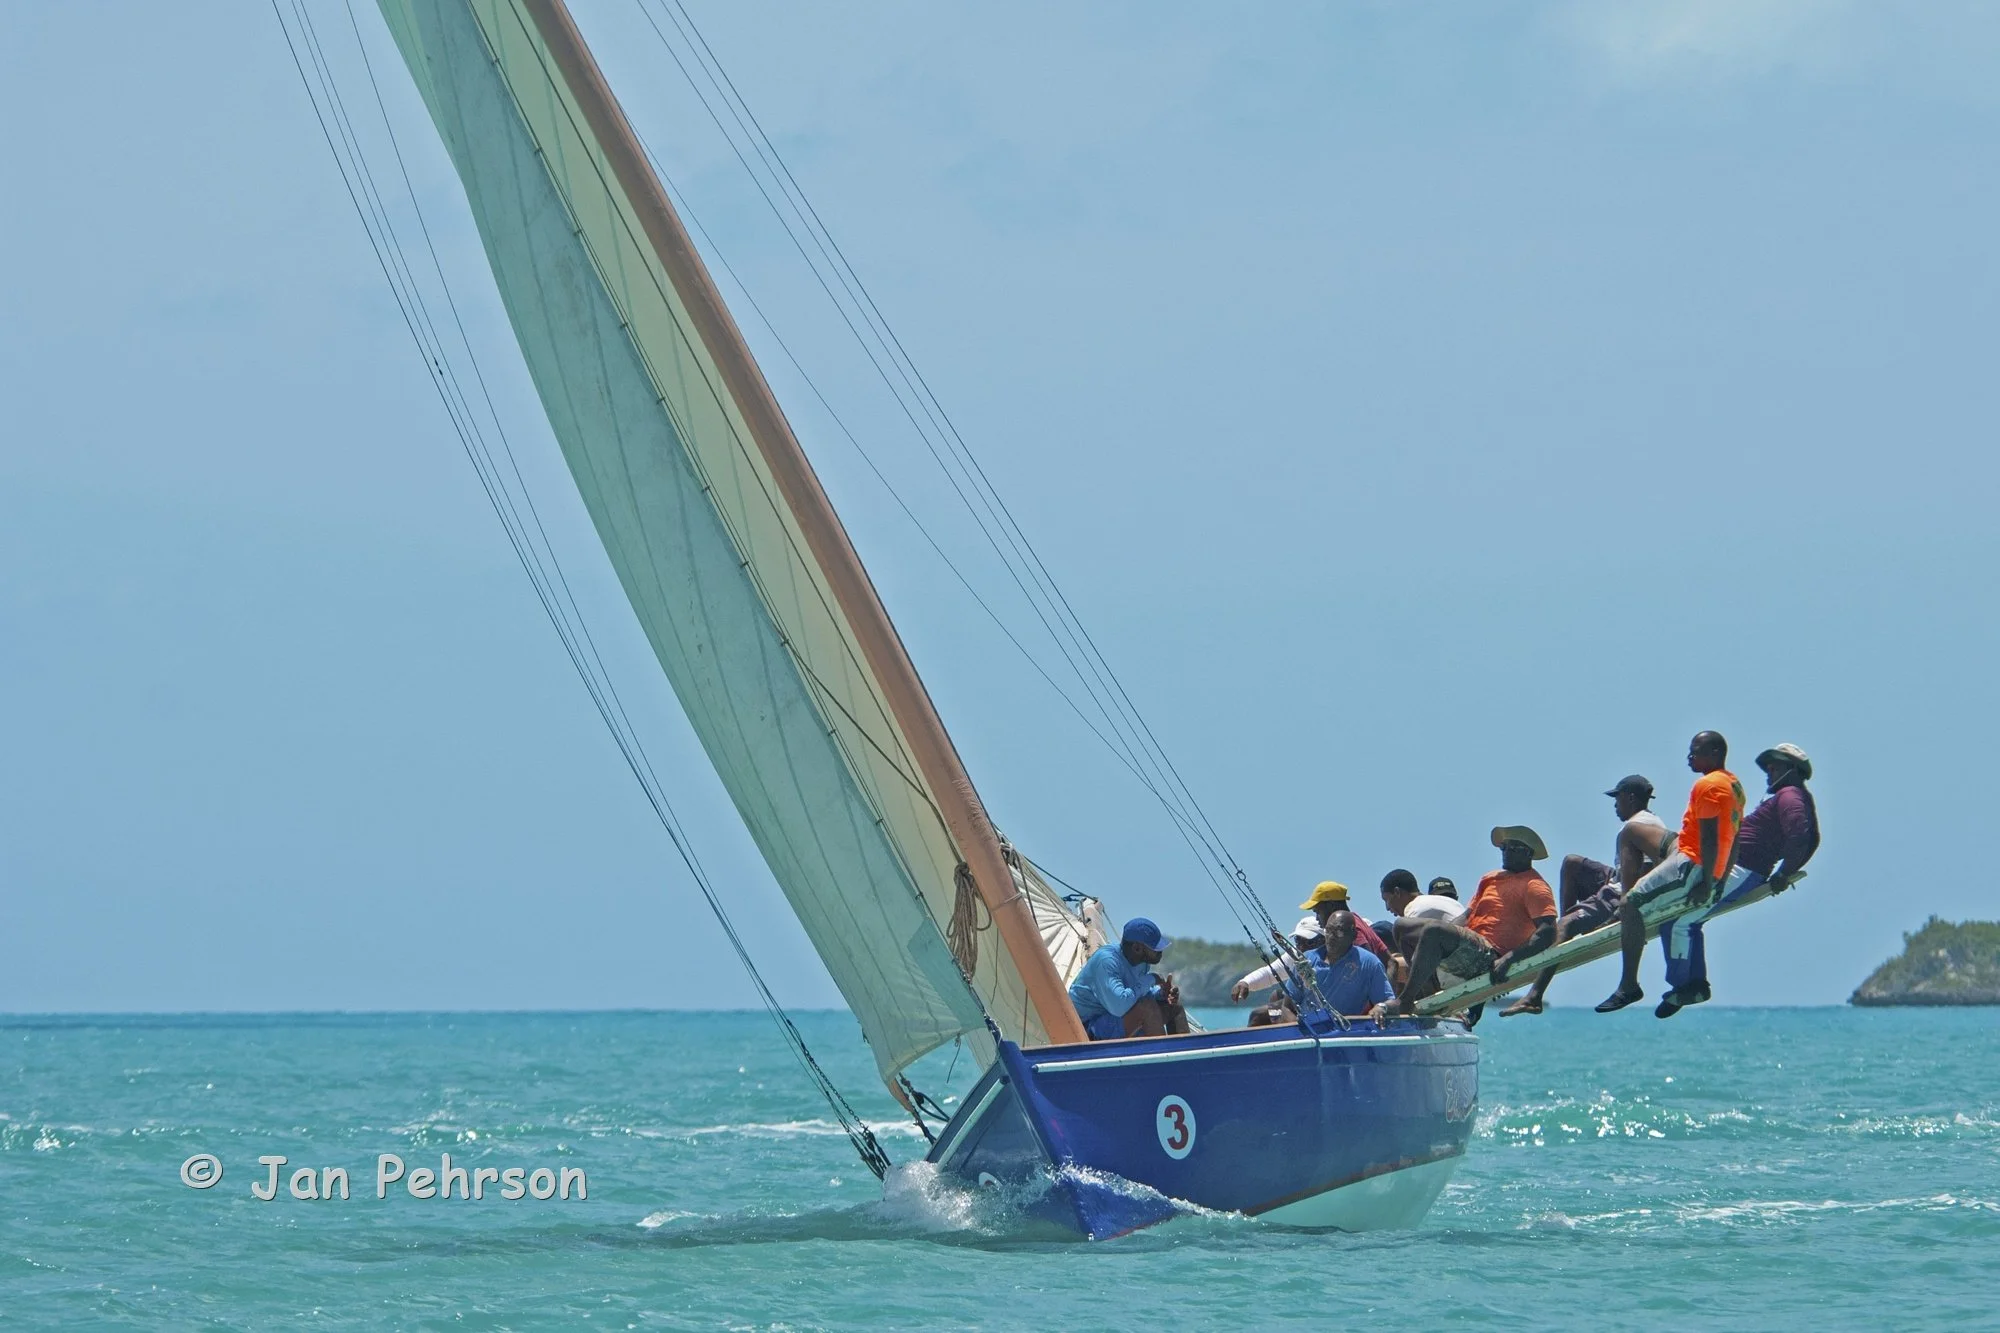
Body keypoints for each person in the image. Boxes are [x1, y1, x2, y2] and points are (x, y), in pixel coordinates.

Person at [1654, 743, 1820, 1016]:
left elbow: (1802, 836)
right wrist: (1785, 870)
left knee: (1678, 921)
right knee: (1691, 921)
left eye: (1774, 767)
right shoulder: (1791, 796)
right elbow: (1811, 839)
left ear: (1792, 770)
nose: (1769, 773)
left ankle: (1682, 987)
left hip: (1742, 870)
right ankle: (1695, 984)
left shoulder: (1790, 795)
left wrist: (1784, 873)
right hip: (1737, 868)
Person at [1597, 731, 1746, 1013]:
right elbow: (1735, 837)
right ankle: (1694, 985)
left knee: (1629, 905)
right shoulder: (1733, 784)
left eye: (1696, 751)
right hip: (1700, 861)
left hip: (1691, 863)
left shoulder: (1708, 785)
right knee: (1682, 921)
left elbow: (1711, 839)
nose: (1689, 756)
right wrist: (1721, 879)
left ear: (1715, 753)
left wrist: (1704, 881)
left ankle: (1628, 985)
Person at [1502, 775, 1671, 1017]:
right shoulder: (1643, 821)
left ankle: (1535, 995)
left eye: (1617, 798)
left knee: (1567, 923)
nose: (1615, 805)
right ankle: (1563, 935)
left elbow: (1648, 871)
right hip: (1618, 878)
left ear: (1630, 798)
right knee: (1572, 863)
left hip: (1624, 889)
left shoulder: (1640, 825)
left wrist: (1623, 909)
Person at [1374, 827, 1558, 1021]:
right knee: (1402, 926)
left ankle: (1405, 1000)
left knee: (1434, 930)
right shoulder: (1490, 879)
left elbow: (1547, 932)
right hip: (1474, 944)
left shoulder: (1535, 886)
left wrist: (1509, 959)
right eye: (1504, 847)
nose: (1506, 852)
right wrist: (1446, 935)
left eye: (1513, 848)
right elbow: (1467, 916)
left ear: (1527, 853)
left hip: (1493, 954)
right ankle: (1427, 990)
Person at [1069, 918, 1189, 1039]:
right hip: (1088, 1028)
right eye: (1155, 949)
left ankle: (1186, 1054)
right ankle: (1165, 1055)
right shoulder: (1106, 962)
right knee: (1147, 1008)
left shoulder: (1142, 962)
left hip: (1115, 1017)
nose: (1160, 952)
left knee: (1174, 1007)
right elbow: (1120, 1006)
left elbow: (1135, 993)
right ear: (1137, 948)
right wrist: (1151, 979)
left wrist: (1161, 994)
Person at [1292, 911, 1394, 1018]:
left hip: (1346, 1030)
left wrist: (1382, 1007)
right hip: (1309, 1031)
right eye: (1328, 931)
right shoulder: (1307, 960)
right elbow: (1288, 1006)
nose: (1331, 937)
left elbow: (1390, 1001)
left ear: (1353, 935)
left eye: (1338, 932)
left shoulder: (1369, 963)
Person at [1229, 916, 1321, 1025]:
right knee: (1272, 999)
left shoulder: (1329, 955)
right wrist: (1245, 982)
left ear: (1323, 939)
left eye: (1309, 942)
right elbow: (1269, 974)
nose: (1301, 947)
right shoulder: (1295, 954)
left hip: (1318, 1004)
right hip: (1299, 1003)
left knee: (1262, 1012)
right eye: (1298, 941)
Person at [1299, 881, 1393, 966]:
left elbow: (1367, 967)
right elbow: (1391, 962)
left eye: (1318, 912)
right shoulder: (1357, 920)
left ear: (1331, 906)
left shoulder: (1349, 931)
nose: (1317, 918)